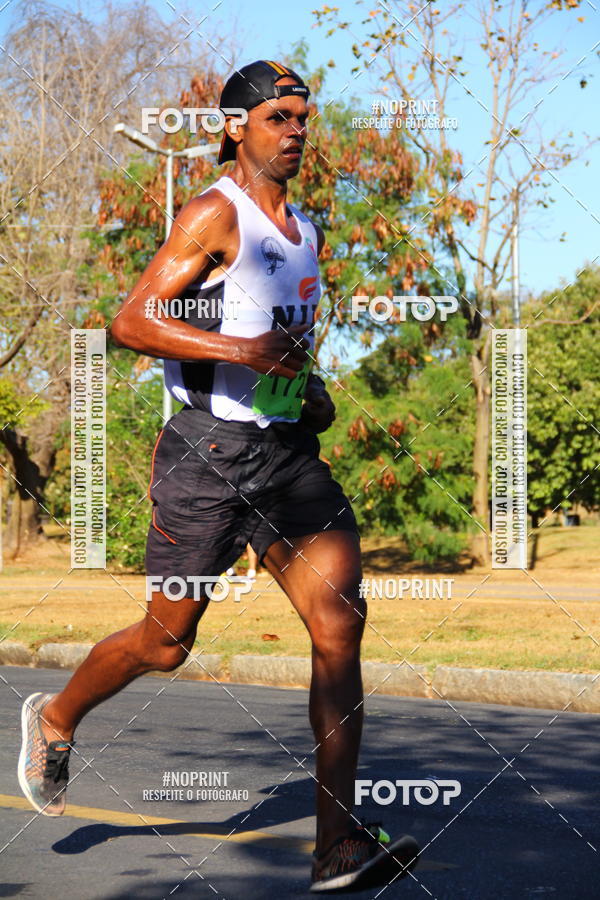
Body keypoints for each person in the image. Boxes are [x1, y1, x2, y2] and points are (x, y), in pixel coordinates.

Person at [18, 59, 419, 892]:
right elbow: (134, 319)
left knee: (340, 625)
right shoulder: (213, 213)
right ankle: (55, 719)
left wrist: (306, 394)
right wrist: (241, 351)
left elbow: (284, 346)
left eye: (304, 117)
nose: (296, 129)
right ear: (237, 127)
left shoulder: (306, 232)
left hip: (285, 461)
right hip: (206, 456)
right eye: (279, 116)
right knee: (167, 643)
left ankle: (336, 846)